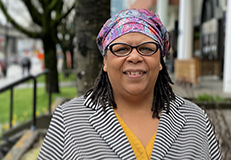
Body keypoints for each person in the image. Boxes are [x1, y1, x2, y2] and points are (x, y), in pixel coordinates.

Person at [37, 9, 222, 159]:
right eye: (122, 49)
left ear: (160, 62)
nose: (134, 57)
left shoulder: (195, 119)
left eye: (146, 49)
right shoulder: (69, 119)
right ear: (105, 62)